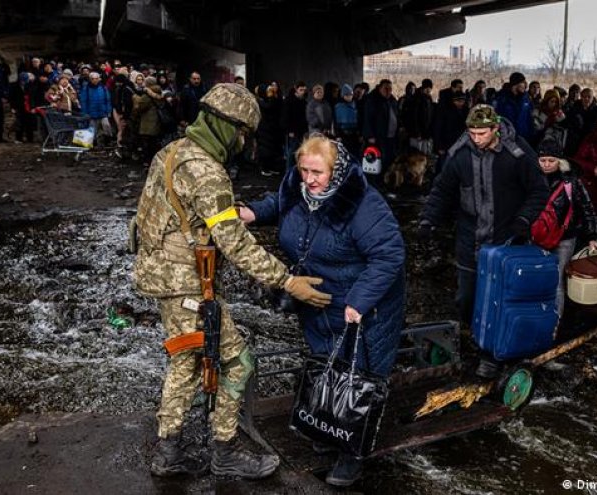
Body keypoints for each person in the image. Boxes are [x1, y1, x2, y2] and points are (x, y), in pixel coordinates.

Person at [133, 83, 331, 479]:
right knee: (239, 362)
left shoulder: (172, 152)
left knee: (185, 362)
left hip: (163, 278)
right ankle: (224, 451)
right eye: (242, 132)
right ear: (226, 126)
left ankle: (167, 451)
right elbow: (235, 244)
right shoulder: (207, 171)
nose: (243, 142)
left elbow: (149, 218)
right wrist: (287, 281)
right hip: (186, 285)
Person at [239, 135, 405, 487]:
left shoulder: (362, 204)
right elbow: (280, 204)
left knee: (357, 376)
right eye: (303, 170)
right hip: (318, 301)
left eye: (318, 172)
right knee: (327, 364)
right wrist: (253, 212)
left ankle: (353, 453)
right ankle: (329, 430)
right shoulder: (298, 189)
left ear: (338, 170)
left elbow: (389, 256)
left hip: (363, 306)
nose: (309, 179)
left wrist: (358, 301)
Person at [419, 104, 548, 377]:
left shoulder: (517, 154)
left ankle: (492, 354)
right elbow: (442, 190)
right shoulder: (460, 155)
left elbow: (539, 190)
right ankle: (474, 338)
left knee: (499, 299)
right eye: (472, 133)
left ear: (495, 129)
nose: (476, 138)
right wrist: (428, 220)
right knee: (466, 298)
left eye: (482, 133)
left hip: (505, 240)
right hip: (469, 239)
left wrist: (524, 220)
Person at [536, 138, 597, 314]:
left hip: (564, 238)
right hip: (536, 236)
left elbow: (587, 206)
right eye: (543, 160)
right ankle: (536, 317)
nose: (547, 165)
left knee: (556, 281)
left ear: (560, 161)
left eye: (551, 160)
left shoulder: (571, 181)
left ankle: (554, 321)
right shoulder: (531, 177)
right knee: (535, 276)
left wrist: (592, 236)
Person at [363, 79, 400, 182]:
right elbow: (367, 119)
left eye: (390, 89)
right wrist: (370, 135)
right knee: (377, 161)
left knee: (389, 160)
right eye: (386, 88)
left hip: (391, 137)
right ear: (380, 88)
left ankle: (385, 181)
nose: (388, 91)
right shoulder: (372, 100)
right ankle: (375, 184)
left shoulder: (392, 100)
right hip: (378, 137)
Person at [492, 72, 534, 141]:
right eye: (523, 82)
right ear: (515, 84)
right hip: (508, 138)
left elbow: (529, 118)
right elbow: (497, 119)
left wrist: (532, 135)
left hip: (525, 138)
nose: (526, 85)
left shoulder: (526, 98)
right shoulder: (501, 99)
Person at [281, 81, 308, 169]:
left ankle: (294, 172)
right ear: (296, 89)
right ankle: (289, 172)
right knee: (292, 153)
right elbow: (286, 117)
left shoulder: (303, 101)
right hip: (293, 131)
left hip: (300, 131)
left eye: (304, 90)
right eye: (301, 90)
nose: (302, 92)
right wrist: (289, 130)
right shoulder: (289, 101)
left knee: (297, 153)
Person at [78, 72, 112, 142]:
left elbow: (108, 100)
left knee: (107, 126)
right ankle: (93, 143)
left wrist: (108, 110)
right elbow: (84, 102)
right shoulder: (86, 89)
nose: (95, 80)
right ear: (90, 79)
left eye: (96, 78)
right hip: (92, 113)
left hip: (103, 112)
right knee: (92, 129)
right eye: (93, 79)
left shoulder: (103, 87)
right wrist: (85, 113)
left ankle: (108, 140)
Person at [334, 83, 359, 154]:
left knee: (354, 153)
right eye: (347, 95)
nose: (349, 97)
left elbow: (358, 119)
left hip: (354, 134)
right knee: (344, 153)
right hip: (343, 134)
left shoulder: (355, 105)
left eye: (351, 95)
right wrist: (338, 135)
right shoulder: (338, 107)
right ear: (343, 96)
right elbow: (336, 122)